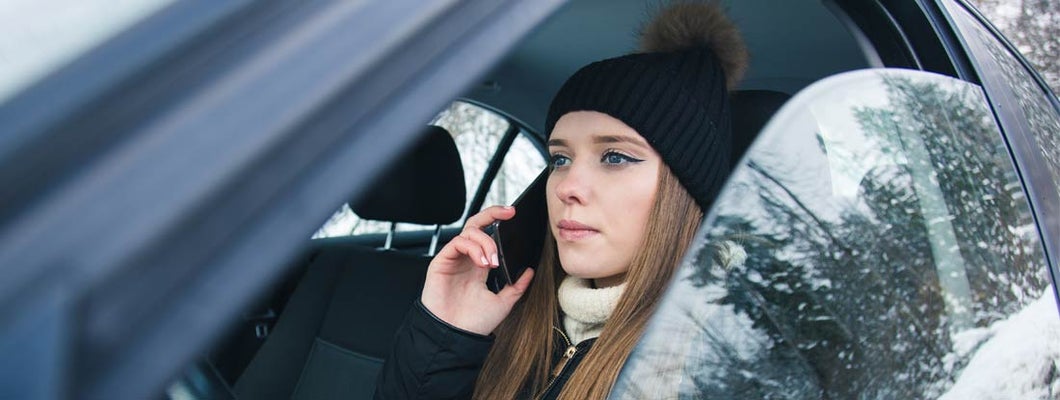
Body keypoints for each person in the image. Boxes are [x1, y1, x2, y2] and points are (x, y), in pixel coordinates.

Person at [375, 2, 748, 399]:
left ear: (685, 190)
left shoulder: (721, 356)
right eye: (560, 159)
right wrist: (446, 334)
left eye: (615, 157)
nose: (567, 186)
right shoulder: (518, 314)